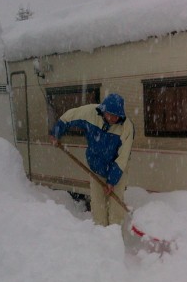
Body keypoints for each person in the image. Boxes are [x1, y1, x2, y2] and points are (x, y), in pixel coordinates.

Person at [49, 93, 134, 226]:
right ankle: (100, 235)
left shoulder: (126, 127)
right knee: (98, 205)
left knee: (115, 207)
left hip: (118, 168)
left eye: (116, 115)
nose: (113, 118)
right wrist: (55, 132)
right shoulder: (90, 113)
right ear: (103, 110)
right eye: (110, 114)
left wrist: (112, 181)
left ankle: (114, 238)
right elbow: (68, 117)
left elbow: (122, 158)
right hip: (97, 167)